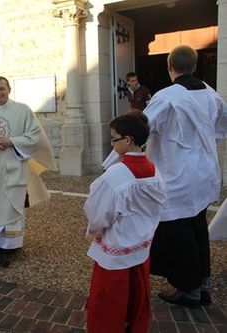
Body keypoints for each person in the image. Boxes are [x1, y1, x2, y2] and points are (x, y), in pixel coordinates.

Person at [145, 45, 227, 308]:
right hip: (204, 171)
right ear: (195, 66)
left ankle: (189, 289)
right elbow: (222, 126)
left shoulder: (167, 95)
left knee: (177, 233)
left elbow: (141, 128)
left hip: (177, 174)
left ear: (170, 66)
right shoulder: (211, 93)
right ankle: (202, 284)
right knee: (197, 227)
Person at [84, 111, 166, 333]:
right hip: (141, 248)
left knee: (109, 304)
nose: (112, 144)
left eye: (114, 138)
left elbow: (98, 214)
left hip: (116, 251)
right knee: (136, 299)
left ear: (128, 140)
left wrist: (95, 229)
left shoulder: (116, 175)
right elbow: (158, 208)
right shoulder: (154, 170)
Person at [0, 76, 57, 268]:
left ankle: (8, 247)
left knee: (11, 203)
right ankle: (1, 246)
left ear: (8, 89)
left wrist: (12, 141)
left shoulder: (22, 110)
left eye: (1, 88)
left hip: (15, 167)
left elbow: (35, 136)